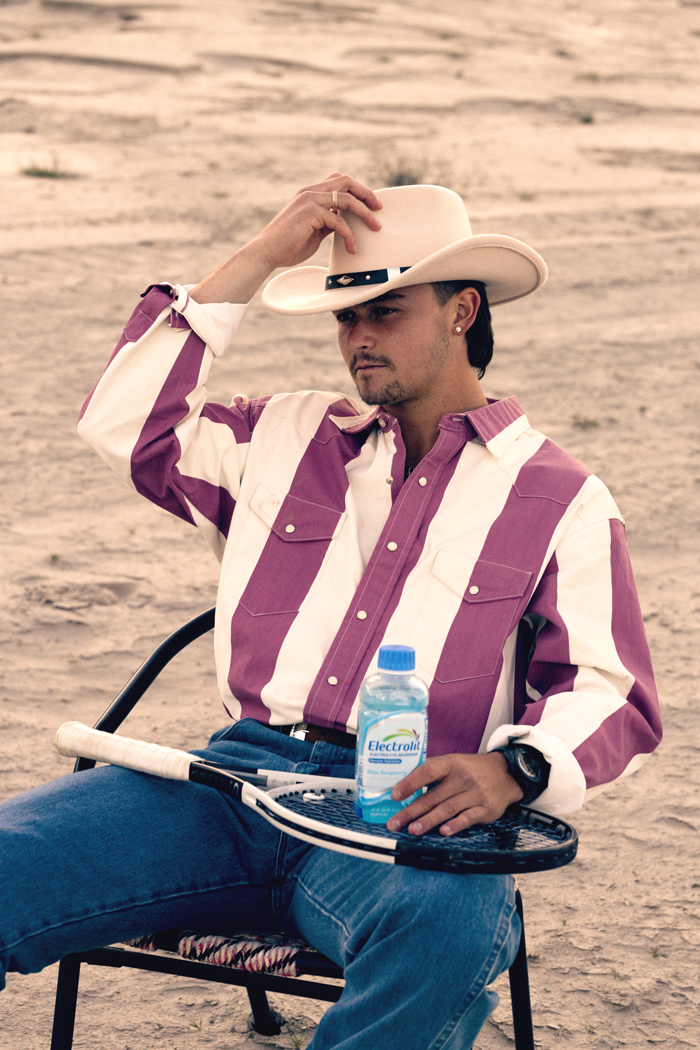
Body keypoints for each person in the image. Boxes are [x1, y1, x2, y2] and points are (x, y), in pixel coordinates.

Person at [0, 173, 661, 1048]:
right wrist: (263, 254)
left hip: (400, 816)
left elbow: (609, 690)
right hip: (228, 790)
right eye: (346, 317)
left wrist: (515, 771)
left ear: (463, 311)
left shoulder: (561, 497)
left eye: (385, 310)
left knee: (450, 932)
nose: (358, 338)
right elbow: (125, 422)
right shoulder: (279, 435)